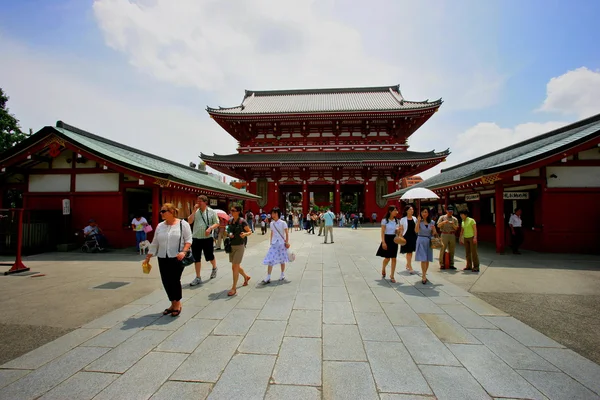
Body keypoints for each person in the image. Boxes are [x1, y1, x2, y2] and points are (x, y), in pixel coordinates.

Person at [145, 203, 192, 317]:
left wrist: (183, 251)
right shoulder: (160, 226)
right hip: (162, 257)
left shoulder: (182, 224)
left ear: (171, 212)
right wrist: (149, 256)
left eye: (163, 211)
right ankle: (172, 303)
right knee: (166, 281)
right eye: (161, 211)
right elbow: (155, 241)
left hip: (177, 257)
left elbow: (189, 240)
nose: (161, 213)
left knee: (175, 280)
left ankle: (178, 303)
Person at [187, 195, 219, 286]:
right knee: (196, 258)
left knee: (209, 256)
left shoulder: (212, 212)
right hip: (196, 237)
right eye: (197, 201)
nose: (198, 203)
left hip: (207, 238)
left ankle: (214, 267)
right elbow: (189, 221)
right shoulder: (196, 212)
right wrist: (193, 211)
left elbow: (217, 223)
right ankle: (198, 277)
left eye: (200, 201)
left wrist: (210, 228)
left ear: (205, 202)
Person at [226, 205, 252, 296]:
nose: (231, 212)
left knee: (235, 266)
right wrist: (229, 234)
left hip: (240, 246)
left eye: (233, 210)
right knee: (234, 266)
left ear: (238, 212)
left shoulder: (242, 221)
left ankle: (234, 288)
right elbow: (227, 230)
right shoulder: (230, 221)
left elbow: (250, 231)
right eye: (231, 210)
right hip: (231, 245)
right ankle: (246, 277)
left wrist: (244, 234)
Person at [261, 207, 290, 283]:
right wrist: (271, 241)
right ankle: (268, 276)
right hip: (274, 243)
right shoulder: (271, 223)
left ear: (277, 214)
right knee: (270, 259)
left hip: (281, 243)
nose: (272, 215)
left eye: (274, 213)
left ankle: (282, 274)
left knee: (282, 259)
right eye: (272, 213)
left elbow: (286, 233)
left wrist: (287, 242)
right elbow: (272, 232)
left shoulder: (283, 223)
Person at [376, 206, 400, 282]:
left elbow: (398, 232)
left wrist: (399, 231)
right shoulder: (385, 220)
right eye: (395, 210)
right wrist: (383, 242)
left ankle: (392, 275)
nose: (396, 212)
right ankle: (383, 268)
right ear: (390, 211)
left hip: (394, 239)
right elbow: (382, 232)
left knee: (394, 258)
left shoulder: (397, 221)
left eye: (397, 210)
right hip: (387, 238)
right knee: (387, 258)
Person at [415, 208, 438, 284]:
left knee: (427, 259)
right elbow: (416, 231)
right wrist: (418, 222)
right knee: (423, 259)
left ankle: (424, 273)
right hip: (421, 240)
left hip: (429, 240)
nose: (424, 213)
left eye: (425, 212)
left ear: (428, 213)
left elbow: (434, 233)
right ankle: (423, 275)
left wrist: (434, 229)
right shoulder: (419, 221)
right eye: (422, 212)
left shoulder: (432, 222)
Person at [399, 205, 417, 274]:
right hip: (406, 236)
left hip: (413, 236)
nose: (412, 210)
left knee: (411, 252)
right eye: (410, 209)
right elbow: (401, 229)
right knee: (408, 252)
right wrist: (400, 237)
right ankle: (410, 266)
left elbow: (416, 228)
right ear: (406, 211)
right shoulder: (403, 219)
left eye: (412, 209)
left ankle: (408, 264)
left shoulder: (414, 218)